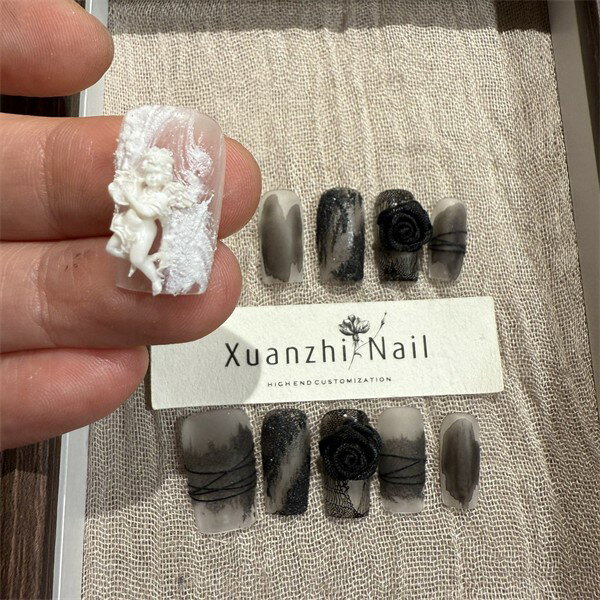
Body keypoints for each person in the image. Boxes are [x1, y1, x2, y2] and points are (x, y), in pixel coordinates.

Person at [0, 0, 262, 450]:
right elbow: (136, 197)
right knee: (134, 256)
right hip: (136, 224)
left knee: (141, 255)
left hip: (145, 225)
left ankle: (154, 272)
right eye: (154, 168)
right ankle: (152, 272)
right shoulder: (142, 184)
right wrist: (130, 191)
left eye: (160, 170)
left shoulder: (155, 189)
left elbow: (153, 203)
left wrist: (147, 195)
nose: (157, 173)